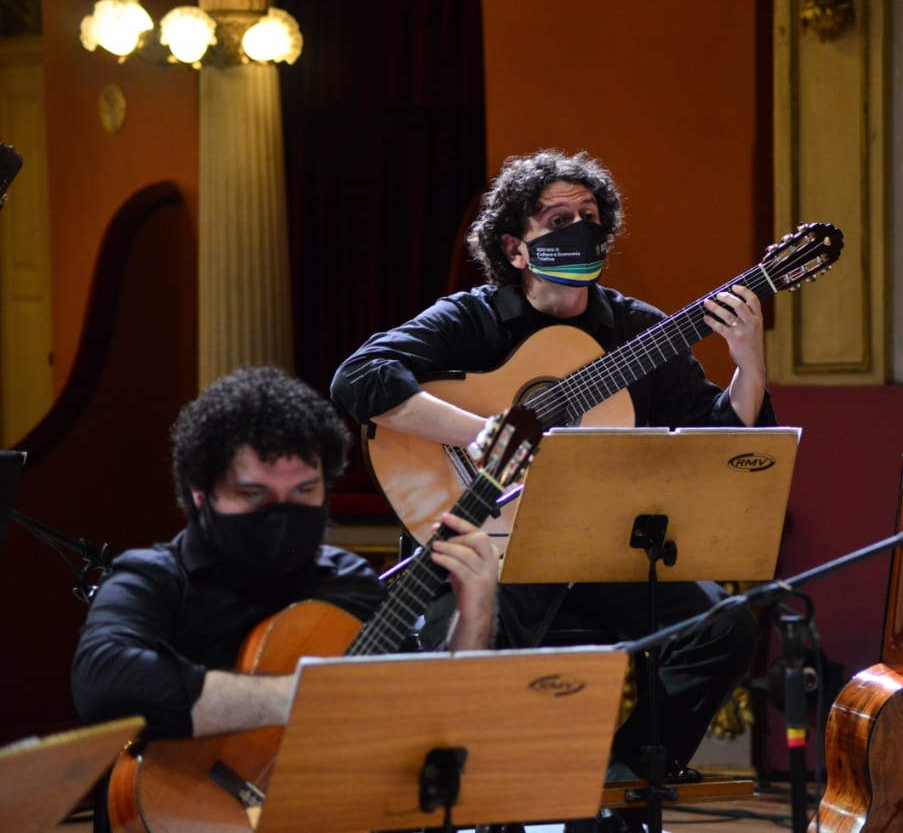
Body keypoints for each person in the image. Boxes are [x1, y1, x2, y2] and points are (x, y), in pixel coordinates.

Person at [331, 149, 766, 830]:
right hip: (490, 544)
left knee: (725, 628)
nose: (579, 230)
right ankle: (487, 810)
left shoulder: (636, 328)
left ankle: (616, 787)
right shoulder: (472, 320)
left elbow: (722, 440)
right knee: (463, 653)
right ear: (515, 245)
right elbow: (360, 380)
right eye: (558, 219)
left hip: (597, 547)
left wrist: (749, 363)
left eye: (591, 219)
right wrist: (481, 433)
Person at [71, 365, 501, 743]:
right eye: (254, 494)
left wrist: (474, 618)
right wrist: (303, 697)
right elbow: (105, 684)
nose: (283, 513)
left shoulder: (344, 580)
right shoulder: (151, 579)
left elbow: (425, 714)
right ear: (202, 496)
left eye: (304, 491)